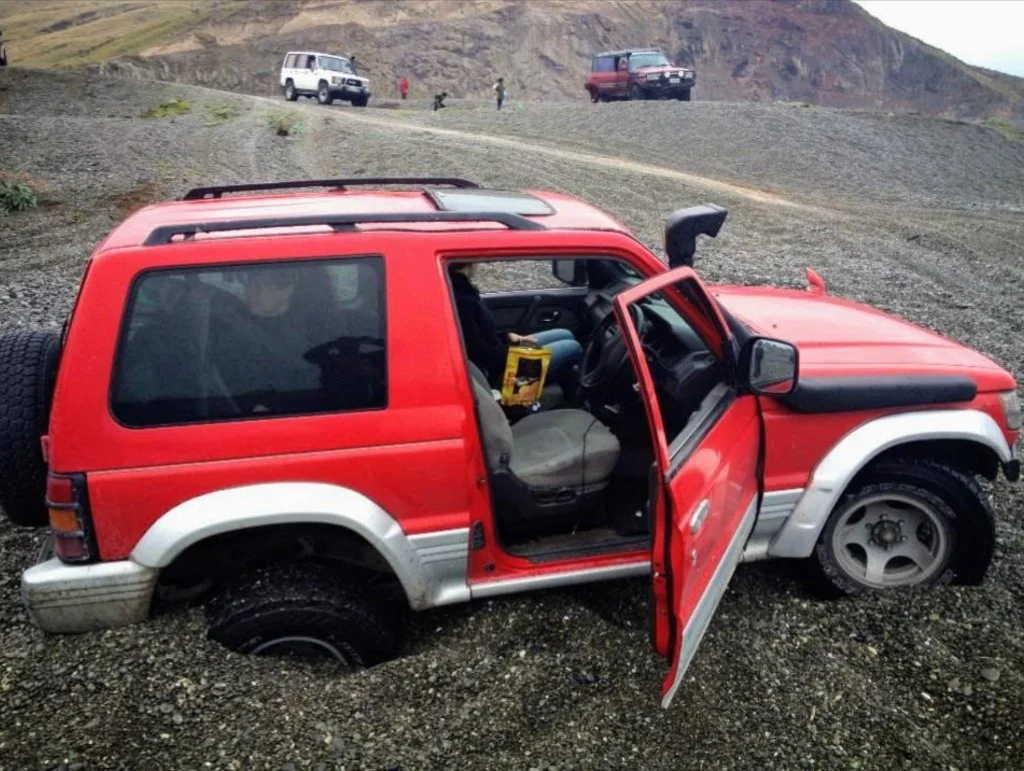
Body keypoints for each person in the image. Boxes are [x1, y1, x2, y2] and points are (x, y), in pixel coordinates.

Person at [449, 263, 581, 390]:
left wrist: (509, 337)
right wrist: (522, 350)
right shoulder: (463, 301)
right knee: (573, 347)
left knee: (565, 333)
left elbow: (483, 337)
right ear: (470, 264)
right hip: (502, 371)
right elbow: (483, 355)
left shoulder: (462, 291)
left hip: (500, 355)